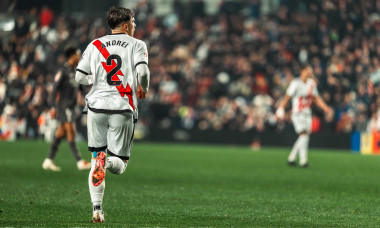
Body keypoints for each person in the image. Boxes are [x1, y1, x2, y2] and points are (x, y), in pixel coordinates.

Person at [75, 7, 150, 223]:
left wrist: (95, 80)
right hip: (122, 106)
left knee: (95, 159)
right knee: (120, 164)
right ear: (126, 25)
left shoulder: (95, 44)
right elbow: (143, 72)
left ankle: (97, 210)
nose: (135, 26)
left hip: (96, 107)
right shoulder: (137, 45)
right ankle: (106, 163)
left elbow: (79, 77)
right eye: (134, 22)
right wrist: (142, 87)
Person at [42, 47, 91, 171]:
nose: (80, 57)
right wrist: (53, 107)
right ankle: (80, 162)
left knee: (60, 133)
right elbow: (54, 90)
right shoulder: (63, 71)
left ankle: (48, 161)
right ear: (72, 56)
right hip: (63, 106)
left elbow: (82, 89)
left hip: (72, 107)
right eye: (78, 54)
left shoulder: (76, 71)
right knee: (71, 132)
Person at [276, 64, 333, 168]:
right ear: (302, 71)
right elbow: (287, 97)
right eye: (308, 70)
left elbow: (316, 98)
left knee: (305, 136)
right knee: (303, 135)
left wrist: (326, 108)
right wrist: (281, 108)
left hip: (307, 113)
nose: (310, 73)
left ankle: (293, 159)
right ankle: (302, 161)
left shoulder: (312, 84)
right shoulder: (295, 83)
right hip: (297, 113)